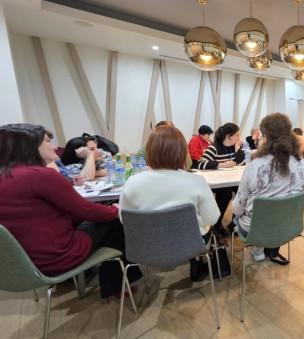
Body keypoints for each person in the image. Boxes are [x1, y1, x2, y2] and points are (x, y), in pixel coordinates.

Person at [0, 124, 141, 299]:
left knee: (104, 221)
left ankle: (110, 282)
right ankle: (118, 285)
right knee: (115, 221)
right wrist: (114, 210)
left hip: (22, 262)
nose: (54, 147)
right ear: (30, 146)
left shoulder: (6, 176)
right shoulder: (41, 176)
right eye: (48, 141)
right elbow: (86, 210)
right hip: (58, 257)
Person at [120, 124, 221, 280]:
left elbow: (124, 219)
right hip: (190, 244)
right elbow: (212, 218)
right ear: (183, 152)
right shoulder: (196, 181)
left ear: (149, 151)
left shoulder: (132, 182)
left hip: (147, 247)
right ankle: (198, 262)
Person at [232, 113, 304, 264]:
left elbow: (237, 209)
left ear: (265, 137)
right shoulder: (301, 163)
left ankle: (258, 249)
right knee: (271, 208)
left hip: (256, 229)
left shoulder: (254, 166)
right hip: (289, 225)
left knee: (249, 215)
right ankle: (259, 249)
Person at [198, 122, 245, 239]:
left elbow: (242, 163)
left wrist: (237, 147)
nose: (239, 138)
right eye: (237, 135)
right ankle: (217, 223)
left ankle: (235, 222)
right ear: (229, 136)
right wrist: (221, 164)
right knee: (226, 193)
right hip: (219, 182)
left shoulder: (236, 147)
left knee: (243, 190)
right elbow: (200, 164)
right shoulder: (214, 148)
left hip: (233, 179)